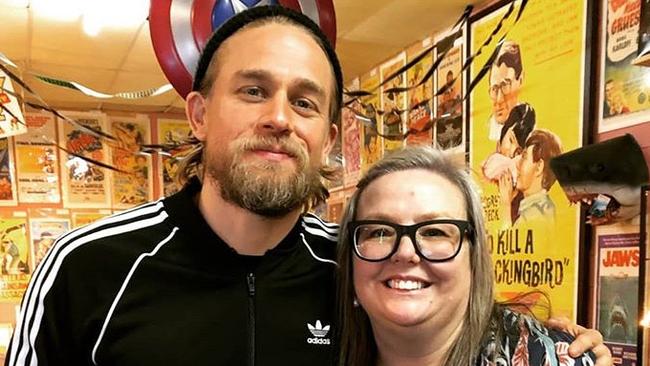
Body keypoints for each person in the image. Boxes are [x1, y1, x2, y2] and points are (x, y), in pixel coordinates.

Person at [6, 6, 609, 366]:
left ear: (328, 135)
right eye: (252, 90)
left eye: (304, 101)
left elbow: (449, 319)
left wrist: (557, 346)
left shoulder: (353, 272)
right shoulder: (85, 267)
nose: (279, 117)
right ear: (197, 115)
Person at [336, 146, 606, 366]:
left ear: (475, 256)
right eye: (380, 232)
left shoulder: (551, 359)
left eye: (434, 232)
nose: (406, 252)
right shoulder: (317, 351)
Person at [487, 40, 524, 141]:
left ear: (520, 80)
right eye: (494, 89)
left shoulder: (529, 127)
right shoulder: (487, 134)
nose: (499, 99)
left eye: (505, 85)